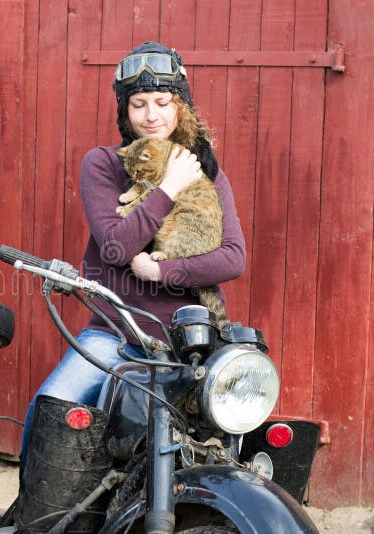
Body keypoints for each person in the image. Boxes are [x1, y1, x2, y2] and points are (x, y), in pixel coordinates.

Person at [21, 41, 246, 453]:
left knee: (230, 428)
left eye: (162, 101)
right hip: (115, 333)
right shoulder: (104, 164)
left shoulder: (205, 170)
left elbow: (233, 257)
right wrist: (167, 187)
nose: (151, 115)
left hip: (185, 340)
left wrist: (163, 272)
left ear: (180, 106)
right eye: (139, 104)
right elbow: (115, 248)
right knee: (51, 407)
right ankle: (30, 516)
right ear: (125, 111)